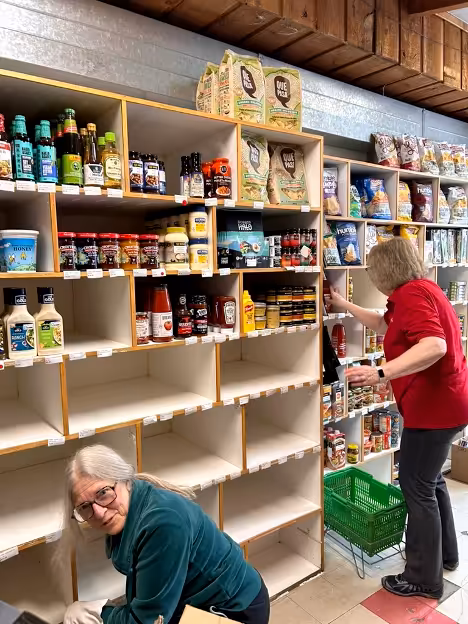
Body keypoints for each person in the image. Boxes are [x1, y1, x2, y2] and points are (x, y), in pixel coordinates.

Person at [330, 237, 468, 600]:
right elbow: (384, 325)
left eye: (373, 271)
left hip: (434, 410)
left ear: (386, 269)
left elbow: (434, 345)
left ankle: (423, 579)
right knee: (431, 481)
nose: (372, 277)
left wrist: (380, 372)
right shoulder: (420, 291)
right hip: (447, 406)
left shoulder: (410, 295)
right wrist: (344, 304)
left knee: (417, 487)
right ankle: (445, 557)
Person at [63, 445, 269, 624]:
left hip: (235, 610)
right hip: (201, 601)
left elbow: (146, 621)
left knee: (83, 615)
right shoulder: (135, 502)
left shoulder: (162, 524)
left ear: (125, 480)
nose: (98, 512)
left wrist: (100, 615)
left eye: (103, 493)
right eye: (84, 506)